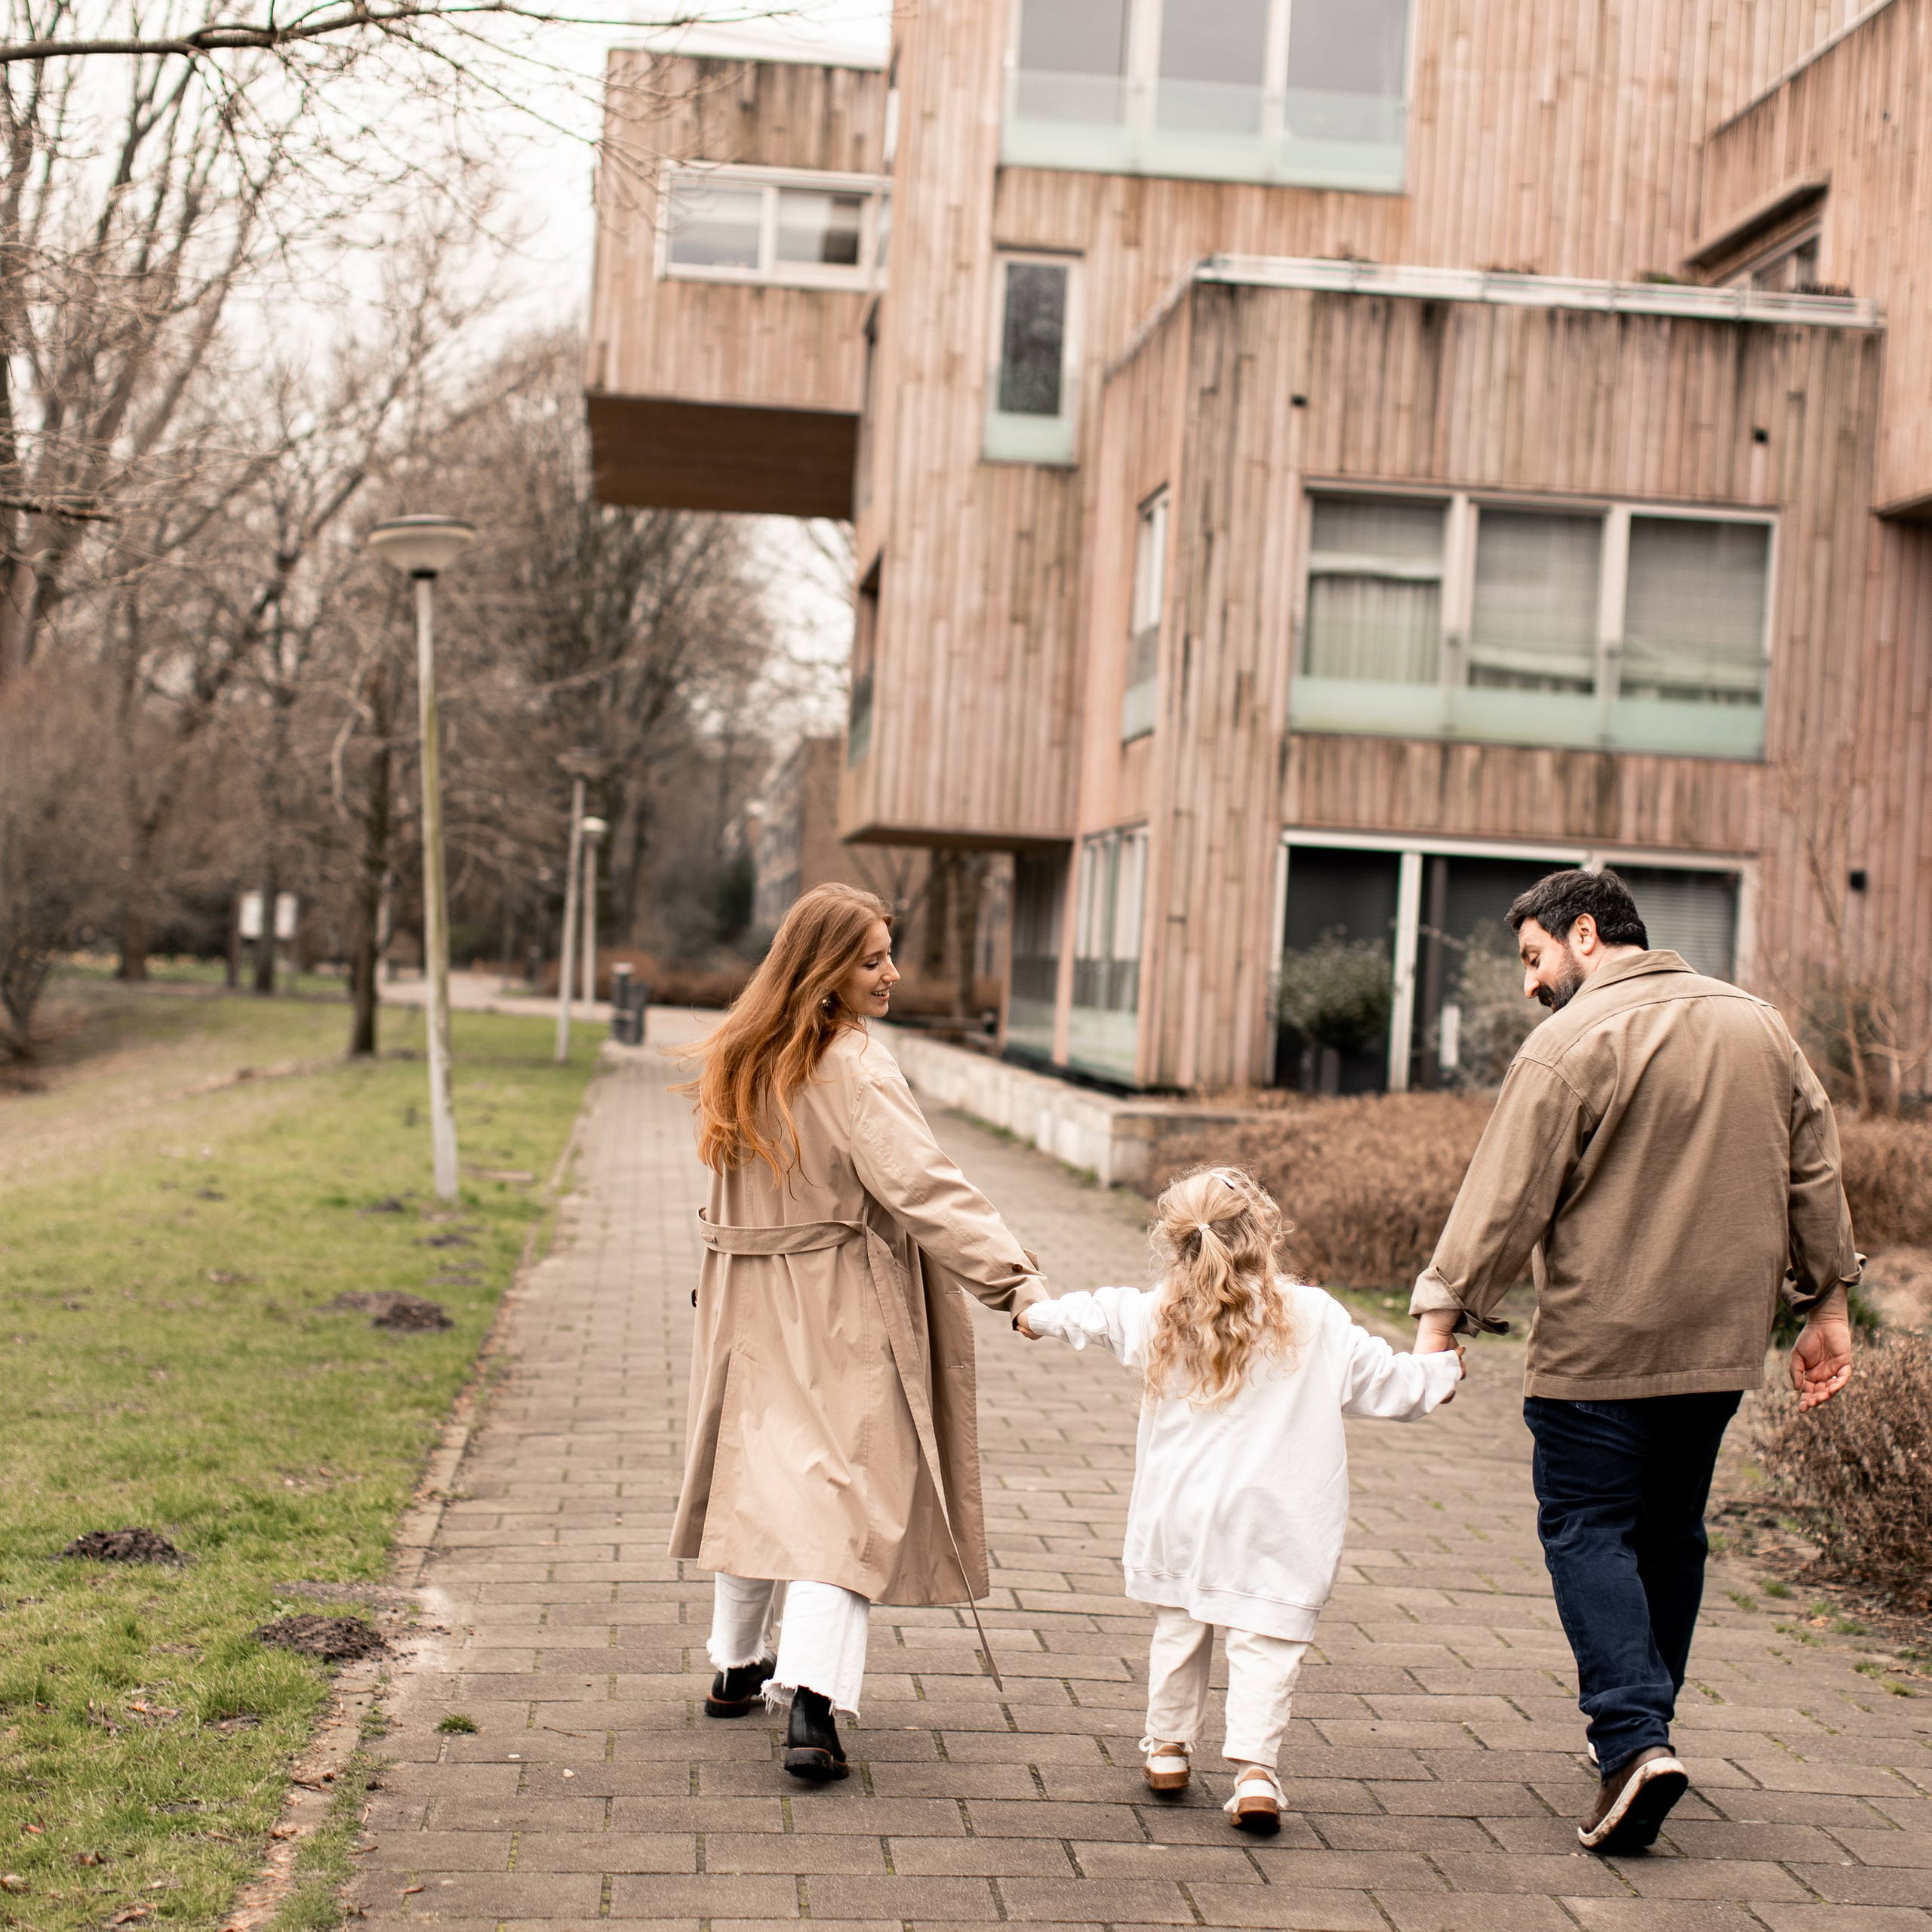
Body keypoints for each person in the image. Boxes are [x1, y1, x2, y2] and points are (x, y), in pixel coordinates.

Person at [1411, 867, 1860, 1855]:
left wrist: (1443, 1316)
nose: (1529, 984)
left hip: (1597, 1350)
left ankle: (1631, 1741)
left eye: (1533, 958)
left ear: (1585, 932)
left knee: (1589, 1530)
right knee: (1670, 1536)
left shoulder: (1570, 1041)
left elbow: (1505, 1194)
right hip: (1718, 1350)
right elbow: (1814, 1165)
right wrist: (1824, 1304)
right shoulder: (1761, 1027)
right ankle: (1647, 1728)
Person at [669, 883, 1047, 1783]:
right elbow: (926, 1188)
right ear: (825, 971)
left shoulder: (739, 1052)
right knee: (844, 1496)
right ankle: (810, 1704)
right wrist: (1016, 1281)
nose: (893, 973)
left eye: (888, 953)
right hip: (836, 1301)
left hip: (745, 1298)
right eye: (873, 957)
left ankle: (733, 1664)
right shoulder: (853, 1066)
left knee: (760, 1472)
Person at [1019, 1166, 1464, 1834]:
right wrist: (1440, 1364)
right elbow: (1392, 1387)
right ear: (1263, 1232)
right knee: (1266, 1639)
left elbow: (1088, 1313)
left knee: (1180, 1623)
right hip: (1276, 1517)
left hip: (1182, 1512)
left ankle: (1168, 1750)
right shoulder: (1314, 1315)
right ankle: (1256, 1775)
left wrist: (1031, 1313)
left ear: (1177, 1241)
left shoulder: (1159, 1311)